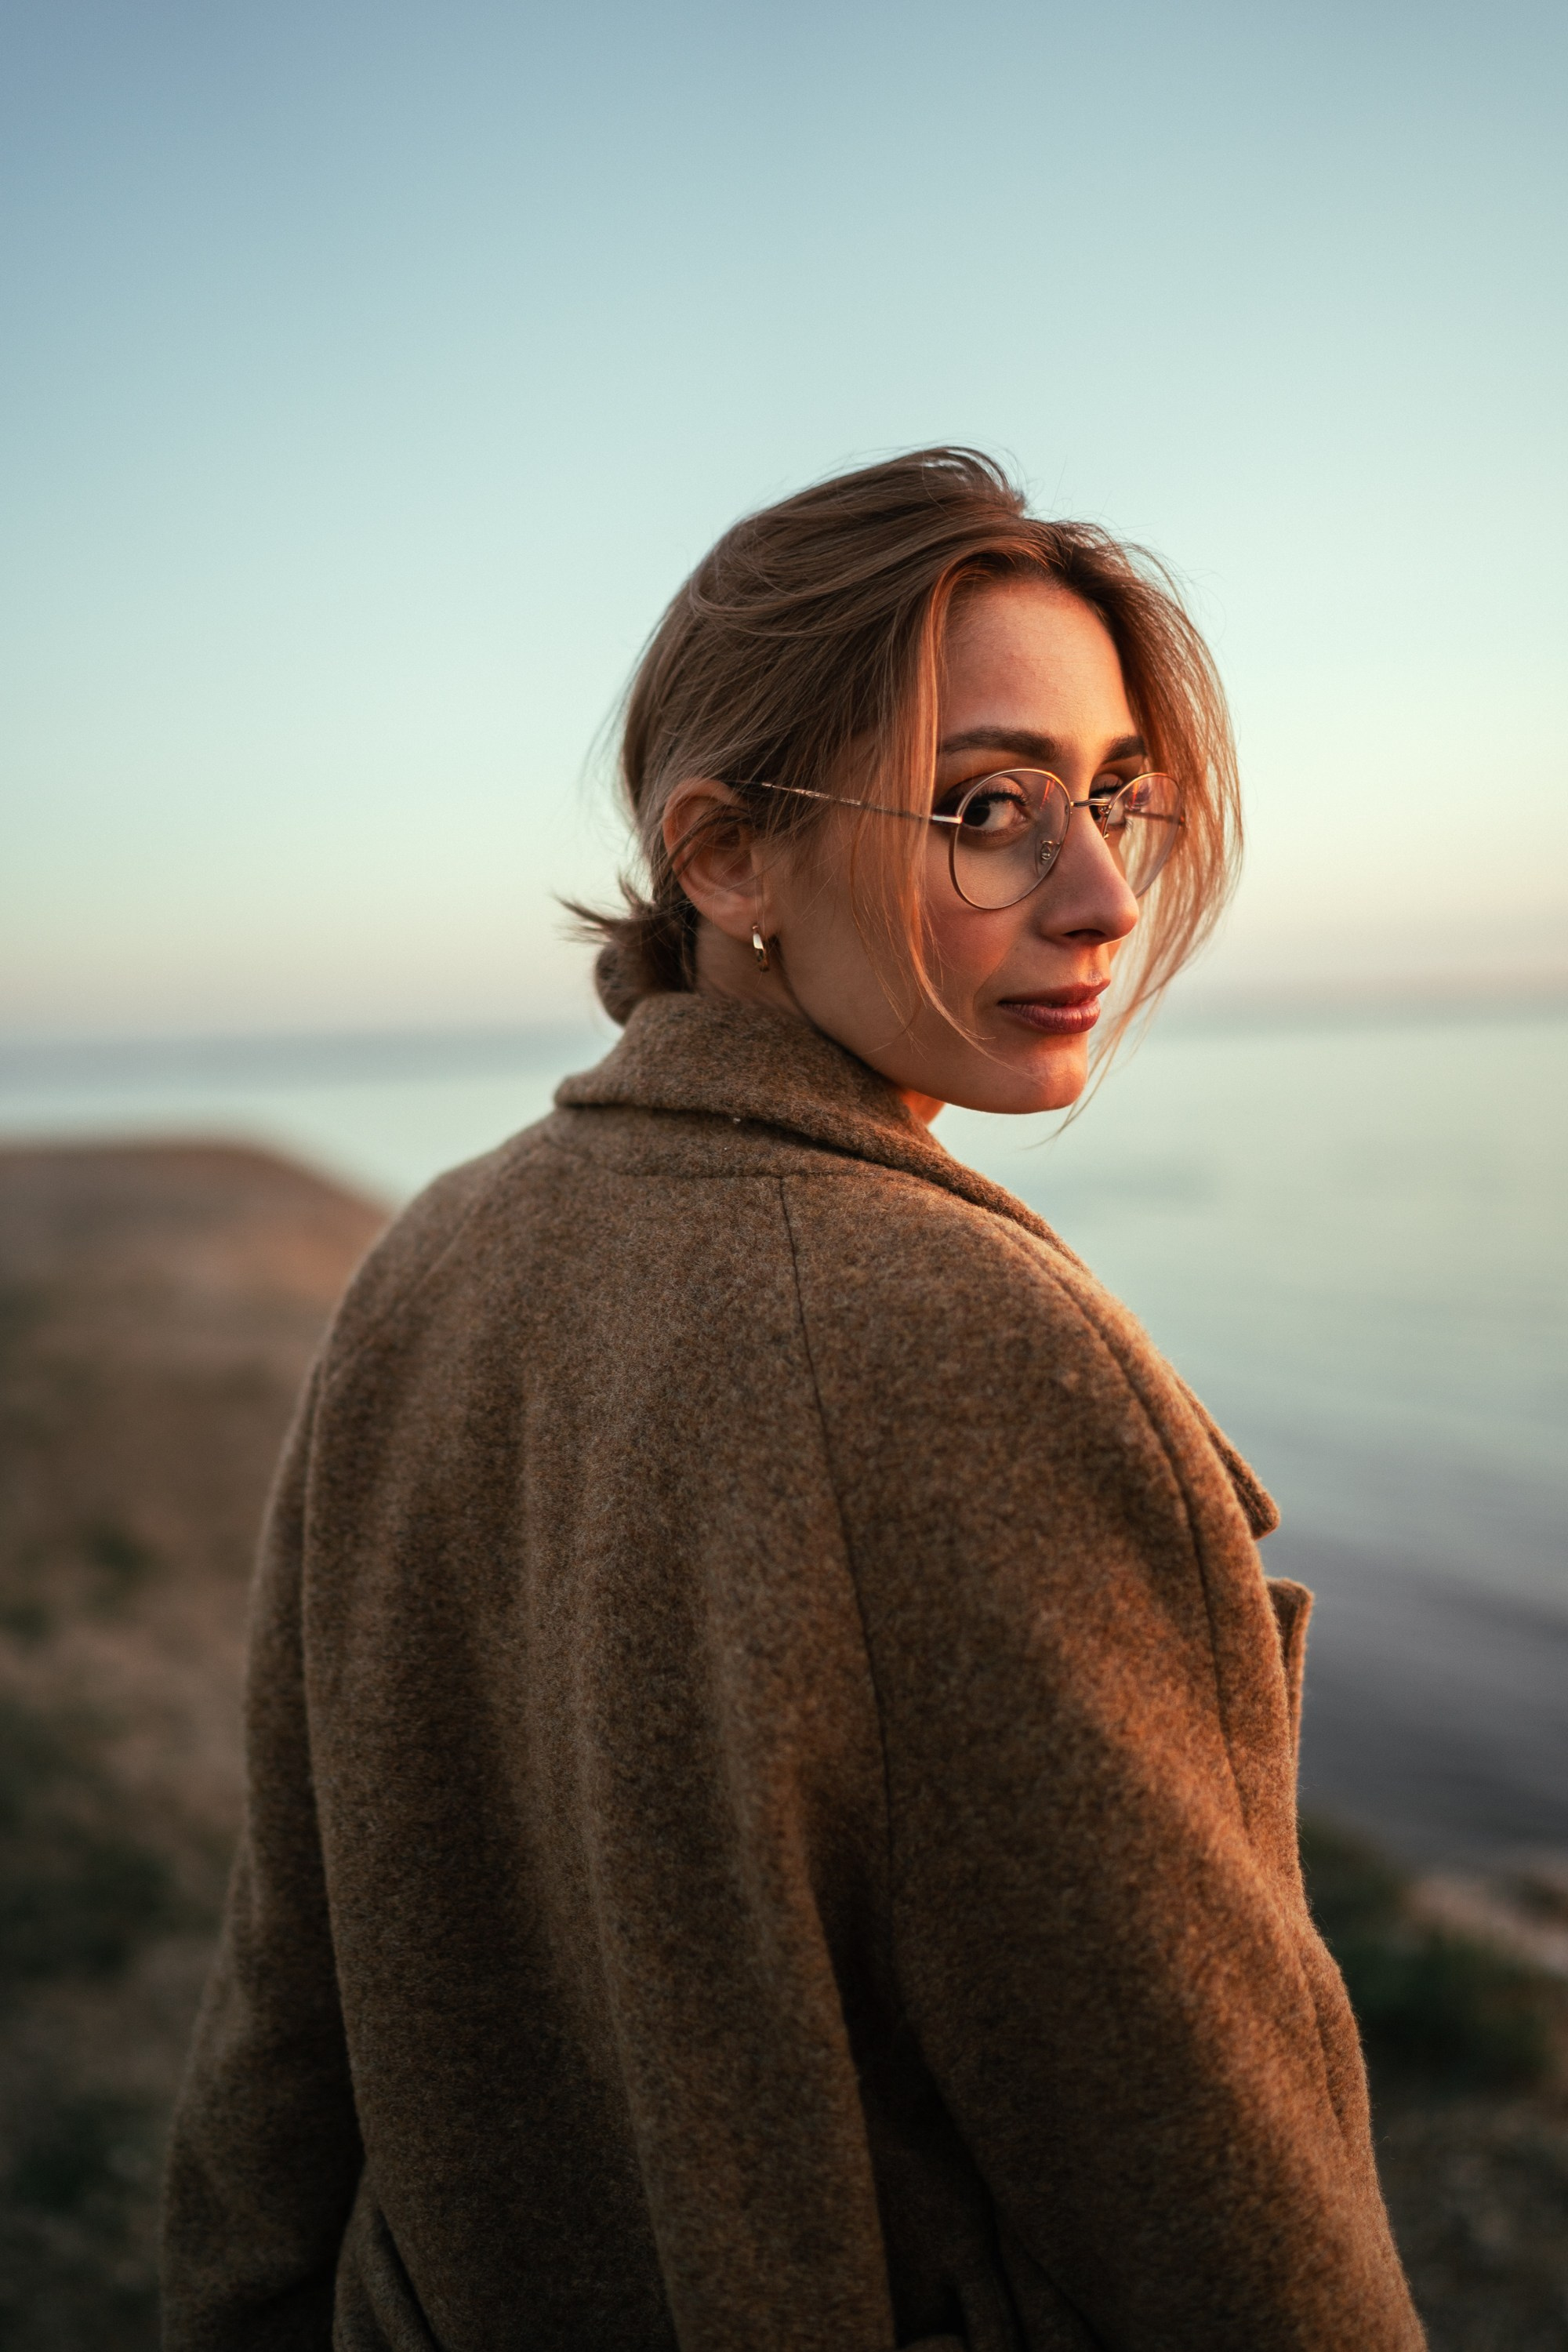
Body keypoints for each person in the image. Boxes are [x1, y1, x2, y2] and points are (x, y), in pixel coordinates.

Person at [163, 448, 1424, 2350]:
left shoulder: (429, 1262)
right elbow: (1219, 2197)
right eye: (984, 806)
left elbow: (286, 2006)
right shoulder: (973, 1343)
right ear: (728, 852)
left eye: (1117, 799)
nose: (1094, 897)